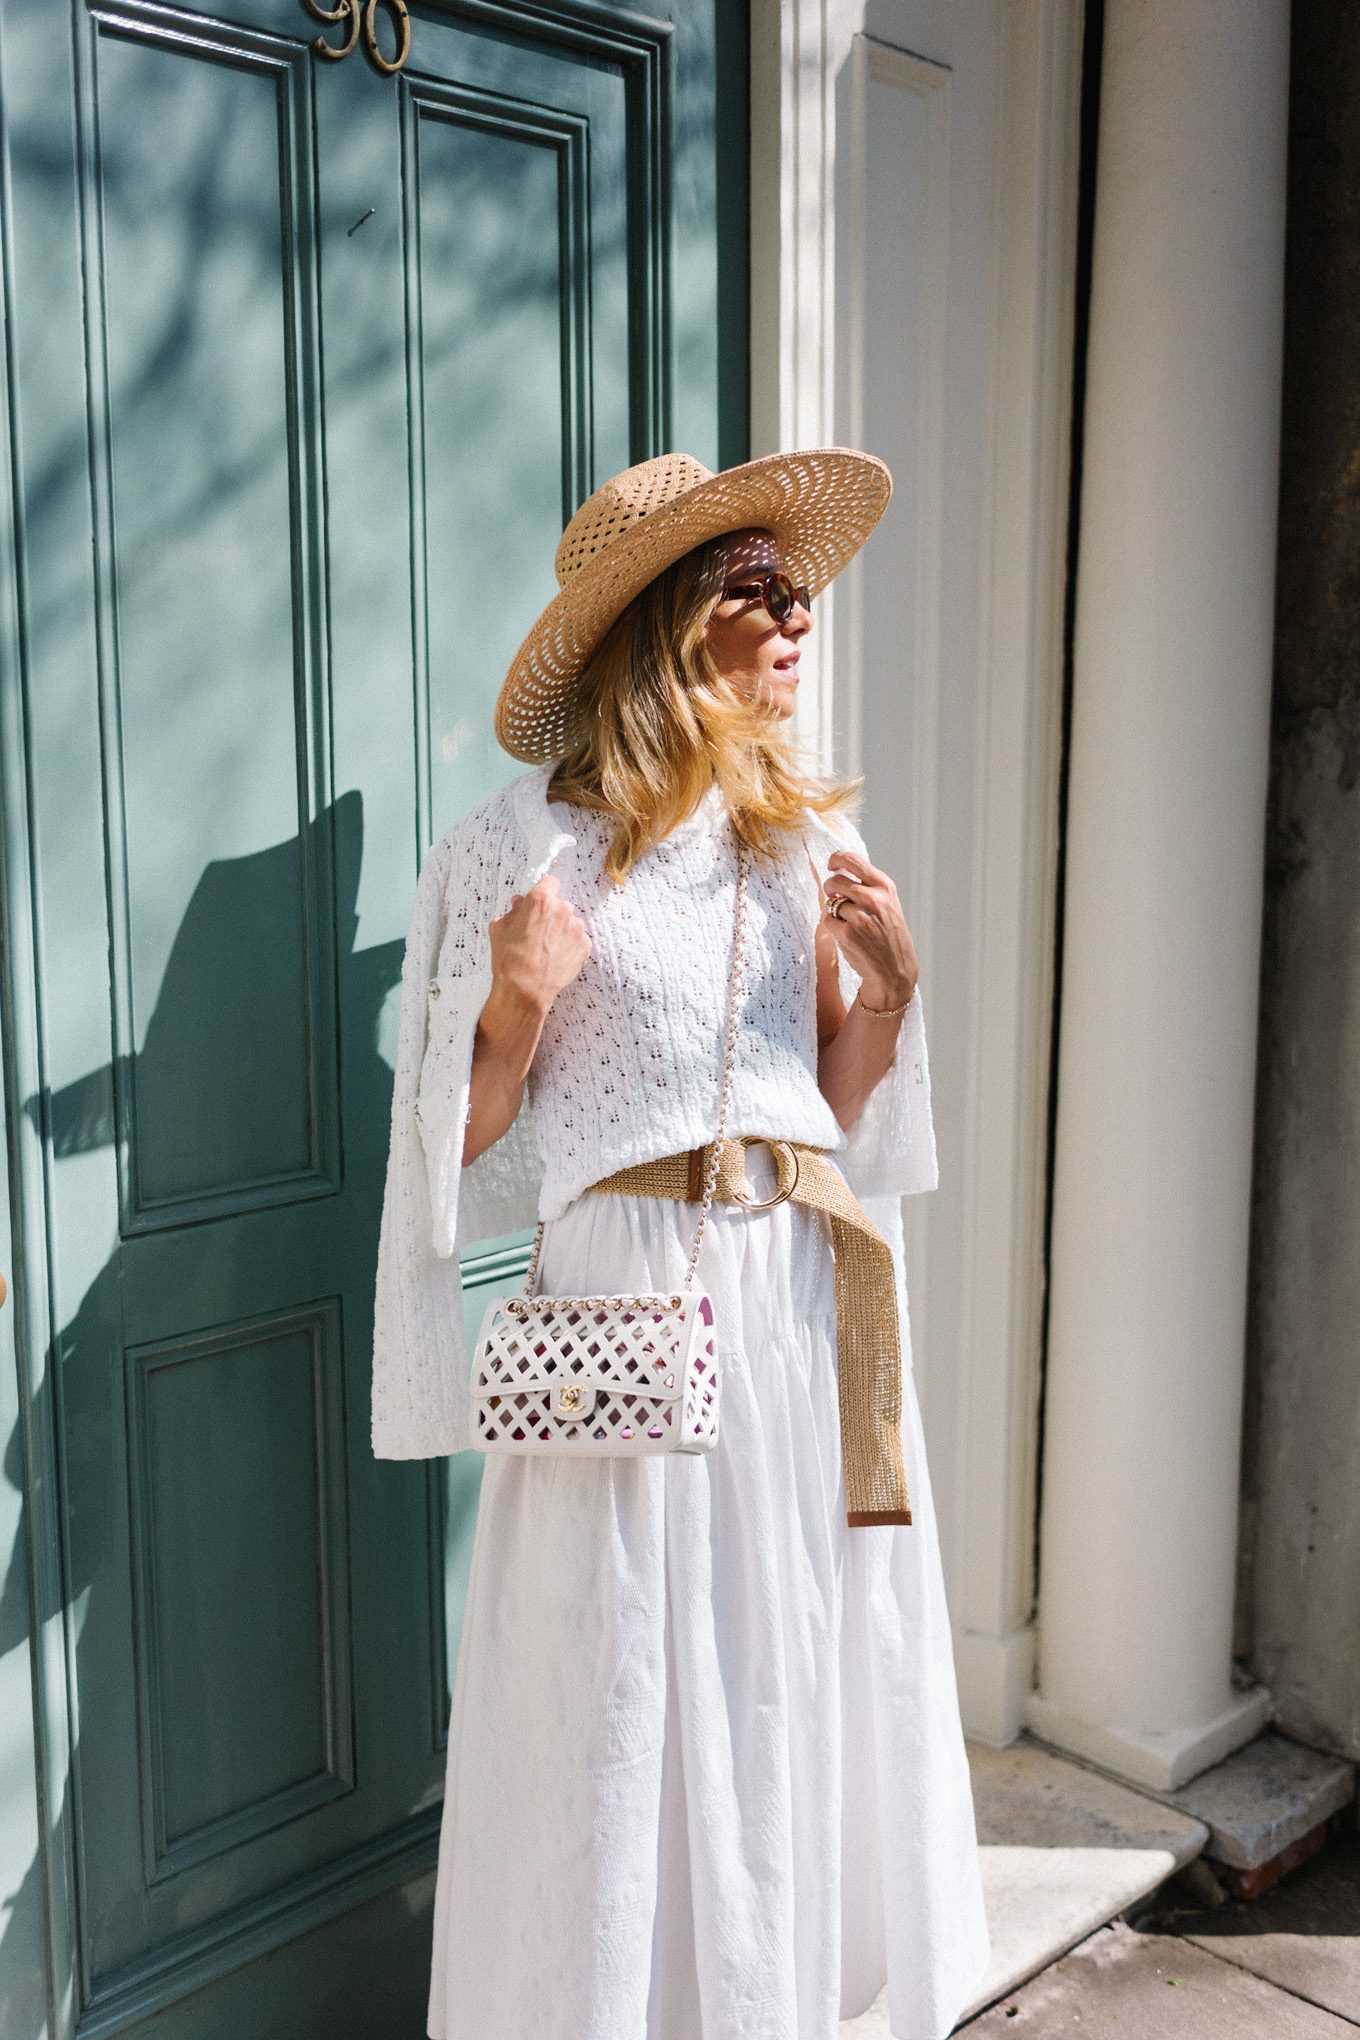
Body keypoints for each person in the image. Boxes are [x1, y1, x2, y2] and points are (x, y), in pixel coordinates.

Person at [371, 449, 991, 2040]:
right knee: (615, 1686)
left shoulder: (798, 844)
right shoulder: (517, 848)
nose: (802, 618)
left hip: (796, 1307)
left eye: (805, 591)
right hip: (628, 1319)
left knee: (773, 1674)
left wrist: (896, 987)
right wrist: (510, 1007)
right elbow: (444, 1159)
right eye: (762, 591)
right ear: (666, 623)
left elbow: (829, 1104)